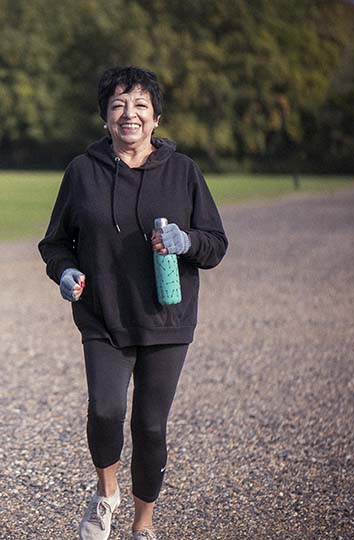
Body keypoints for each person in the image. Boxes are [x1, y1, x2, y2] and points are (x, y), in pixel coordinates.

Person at [38, 66, 227, 540]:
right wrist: (65, 272)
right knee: (104, 411)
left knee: (150, 426)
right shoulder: (83, 172)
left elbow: (216, 243)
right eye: (119, 104)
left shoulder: (184, 173)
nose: (130, 114)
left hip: (167, 319)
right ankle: (107, 494)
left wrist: (185, 242)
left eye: (141, 105)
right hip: (104, 316)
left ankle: (143, 525)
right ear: (105, 117)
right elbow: (55, 243)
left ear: (156, 117)